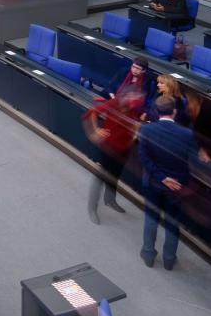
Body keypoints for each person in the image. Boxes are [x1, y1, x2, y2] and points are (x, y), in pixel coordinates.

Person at [138, 95, 194, 269]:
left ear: (156, 111)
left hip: (153, 183)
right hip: (176, 186)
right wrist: (171, 179)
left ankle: (148, 254)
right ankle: (169, 259)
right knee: (172, 223)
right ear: (175, 111)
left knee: (151, 219)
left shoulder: (146, 130)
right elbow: (190, 161)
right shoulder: (187, 134)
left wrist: (162, 177)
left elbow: (144, 159)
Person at [83, 83, 140, 223]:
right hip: (109, 148)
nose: (137, 98)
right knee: (99, 178)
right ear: (126, 95)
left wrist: (134, 133)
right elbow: (92, 112)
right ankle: (92, 208)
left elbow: (134, 123)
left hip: (124, 150)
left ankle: (110, 200)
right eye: (134, 95)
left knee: (115, 177)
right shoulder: (115, 103)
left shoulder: (133, 107)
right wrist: (96, 130)